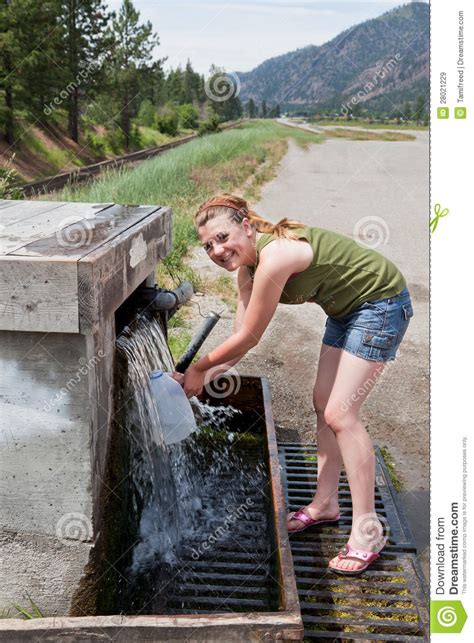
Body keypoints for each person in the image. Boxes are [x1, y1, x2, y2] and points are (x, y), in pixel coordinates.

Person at [173, 192, 413, 575]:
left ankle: (367, 530)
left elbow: (250, 336)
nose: (216, 250)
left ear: (247, 226)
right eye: (207, 246)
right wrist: (193, 377)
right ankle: (325, 504)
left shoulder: (277, 256)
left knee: (341, 413)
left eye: (222, 237)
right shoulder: (247, 273)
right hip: (345, 312)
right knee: (323, 403)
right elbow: (241, 339)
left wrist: (201, 367)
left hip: (381, 303)